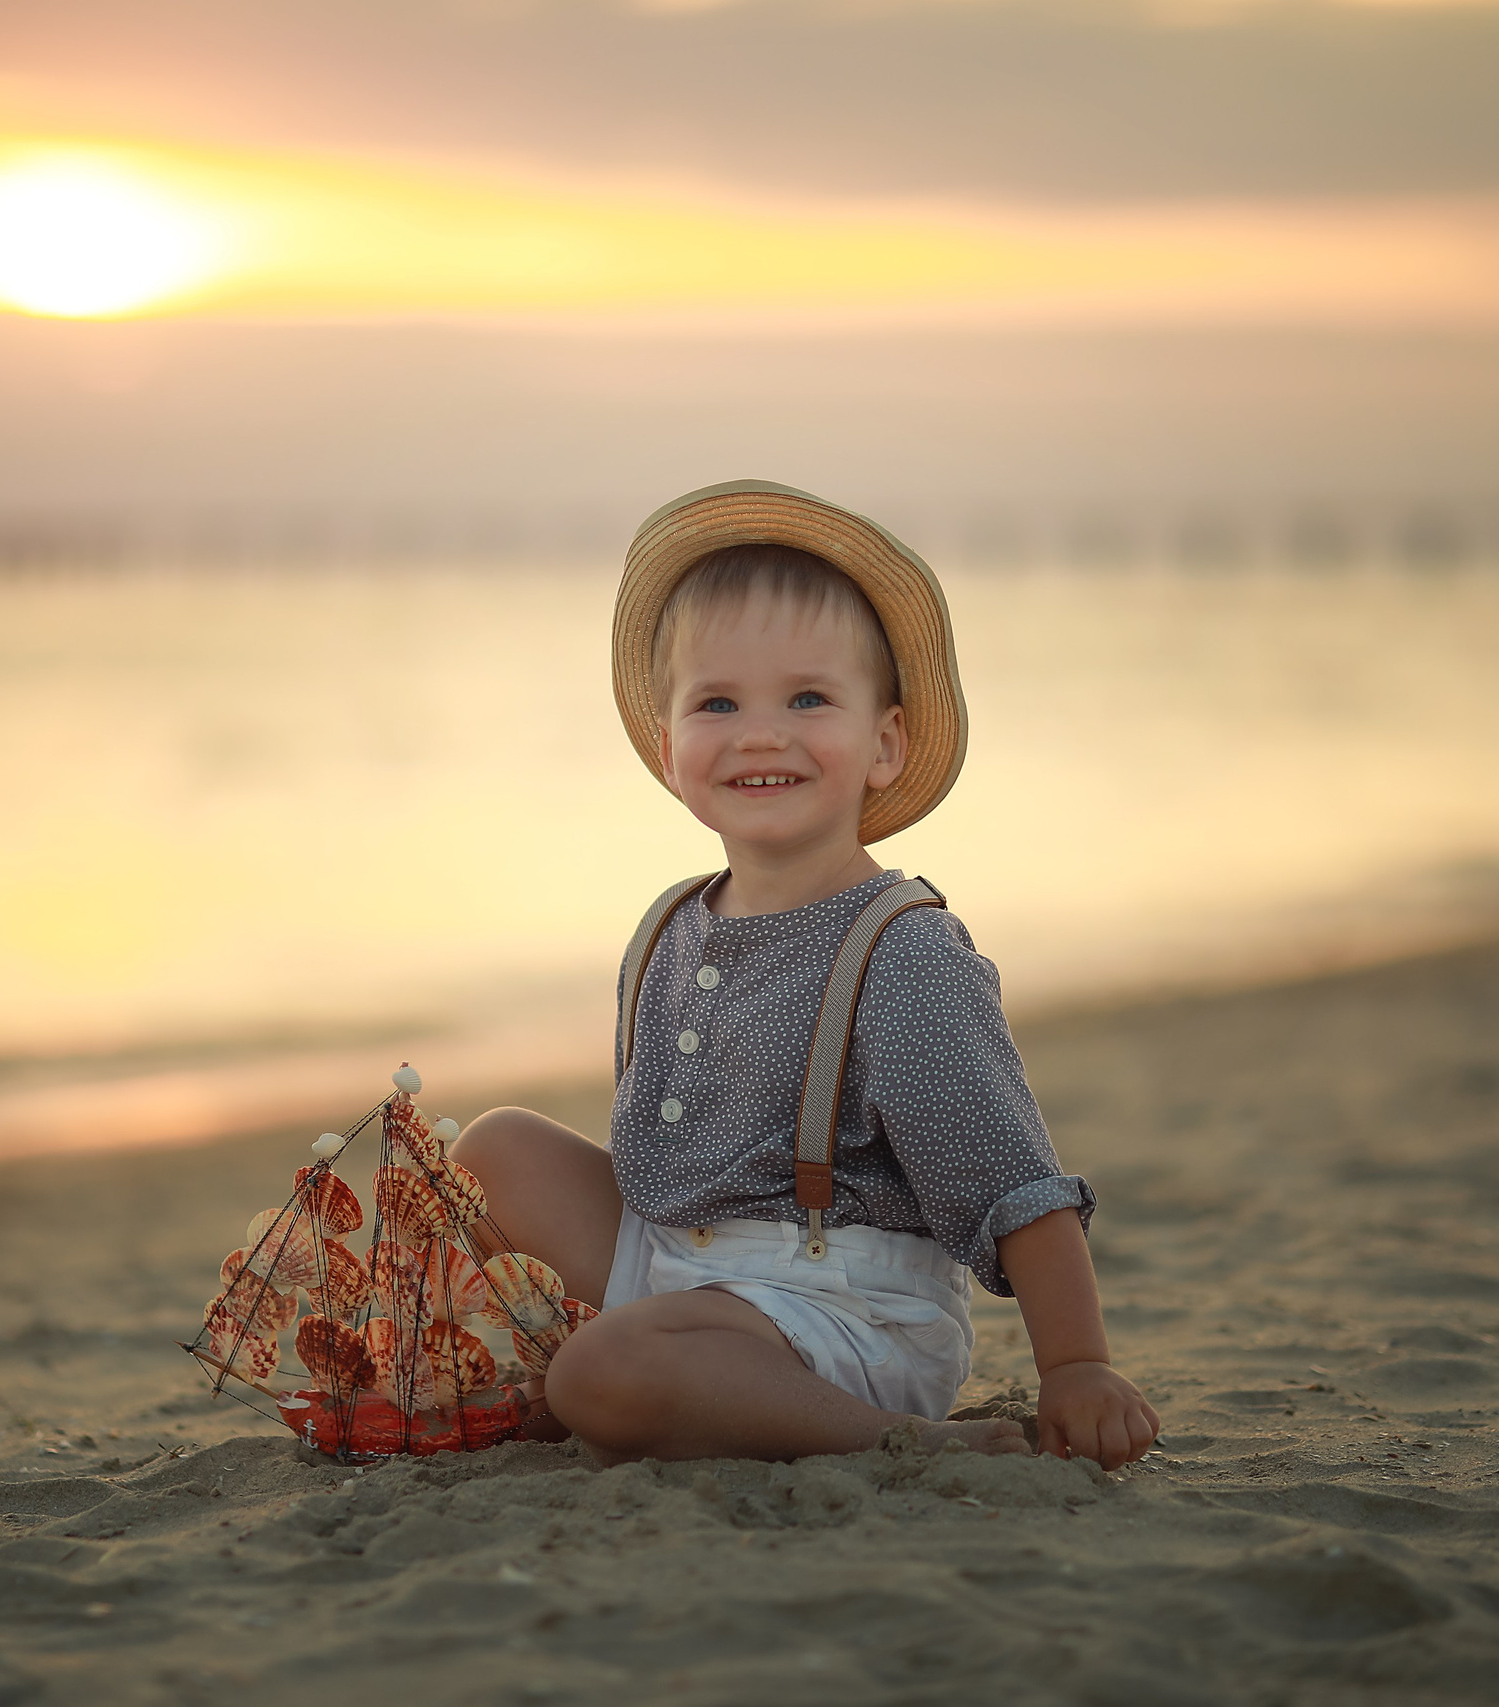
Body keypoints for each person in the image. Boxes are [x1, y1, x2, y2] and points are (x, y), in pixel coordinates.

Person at [450, 480, 1161, 1469]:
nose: (759, 732)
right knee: (494, 1149)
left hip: (842, 1309)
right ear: (668, 748)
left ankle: (898, 1442)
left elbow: (1012, 1179)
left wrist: (1076, 1366)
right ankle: (618, 1364)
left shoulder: (899, 950)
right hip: (679, 1265)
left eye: (808, 699)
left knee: (597, 1376)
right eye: (717, 703)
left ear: (885, 744)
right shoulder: (669, 926)